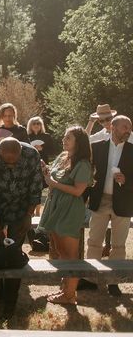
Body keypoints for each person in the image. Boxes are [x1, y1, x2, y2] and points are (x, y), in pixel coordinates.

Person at [0, 137, 43, 317]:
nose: (11, 164)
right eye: (6, 160)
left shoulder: (31, 155)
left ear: (20, 153)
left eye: (14, 160)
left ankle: (10, 302)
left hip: (20, 209)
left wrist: (29, 215)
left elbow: (35, 187)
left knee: (14, 254)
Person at [38, 126, 92, 305]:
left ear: (78, 142)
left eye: (68, 138)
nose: (64, 140)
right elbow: (54, 179)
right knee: (60, 252)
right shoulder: (62, 157)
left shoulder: (83, 163)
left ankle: (69, 295)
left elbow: (78, 191)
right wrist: (46, 171)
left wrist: (52, 183)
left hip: (69, 208)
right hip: (55, 206)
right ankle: (65, 290)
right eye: (64, 136)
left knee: (70, 254)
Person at [82, 115, 133, 296]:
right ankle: (90, 279)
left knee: (119, 245)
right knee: (94, 241)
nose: (128, 130)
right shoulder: (97, 148)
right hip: (100, 199)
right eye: (125, 126)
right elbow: (88, 173)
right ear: (113, 127)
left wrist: (126, 180)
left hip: (124, 201)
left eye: (130, 127)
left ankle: (114, 281)